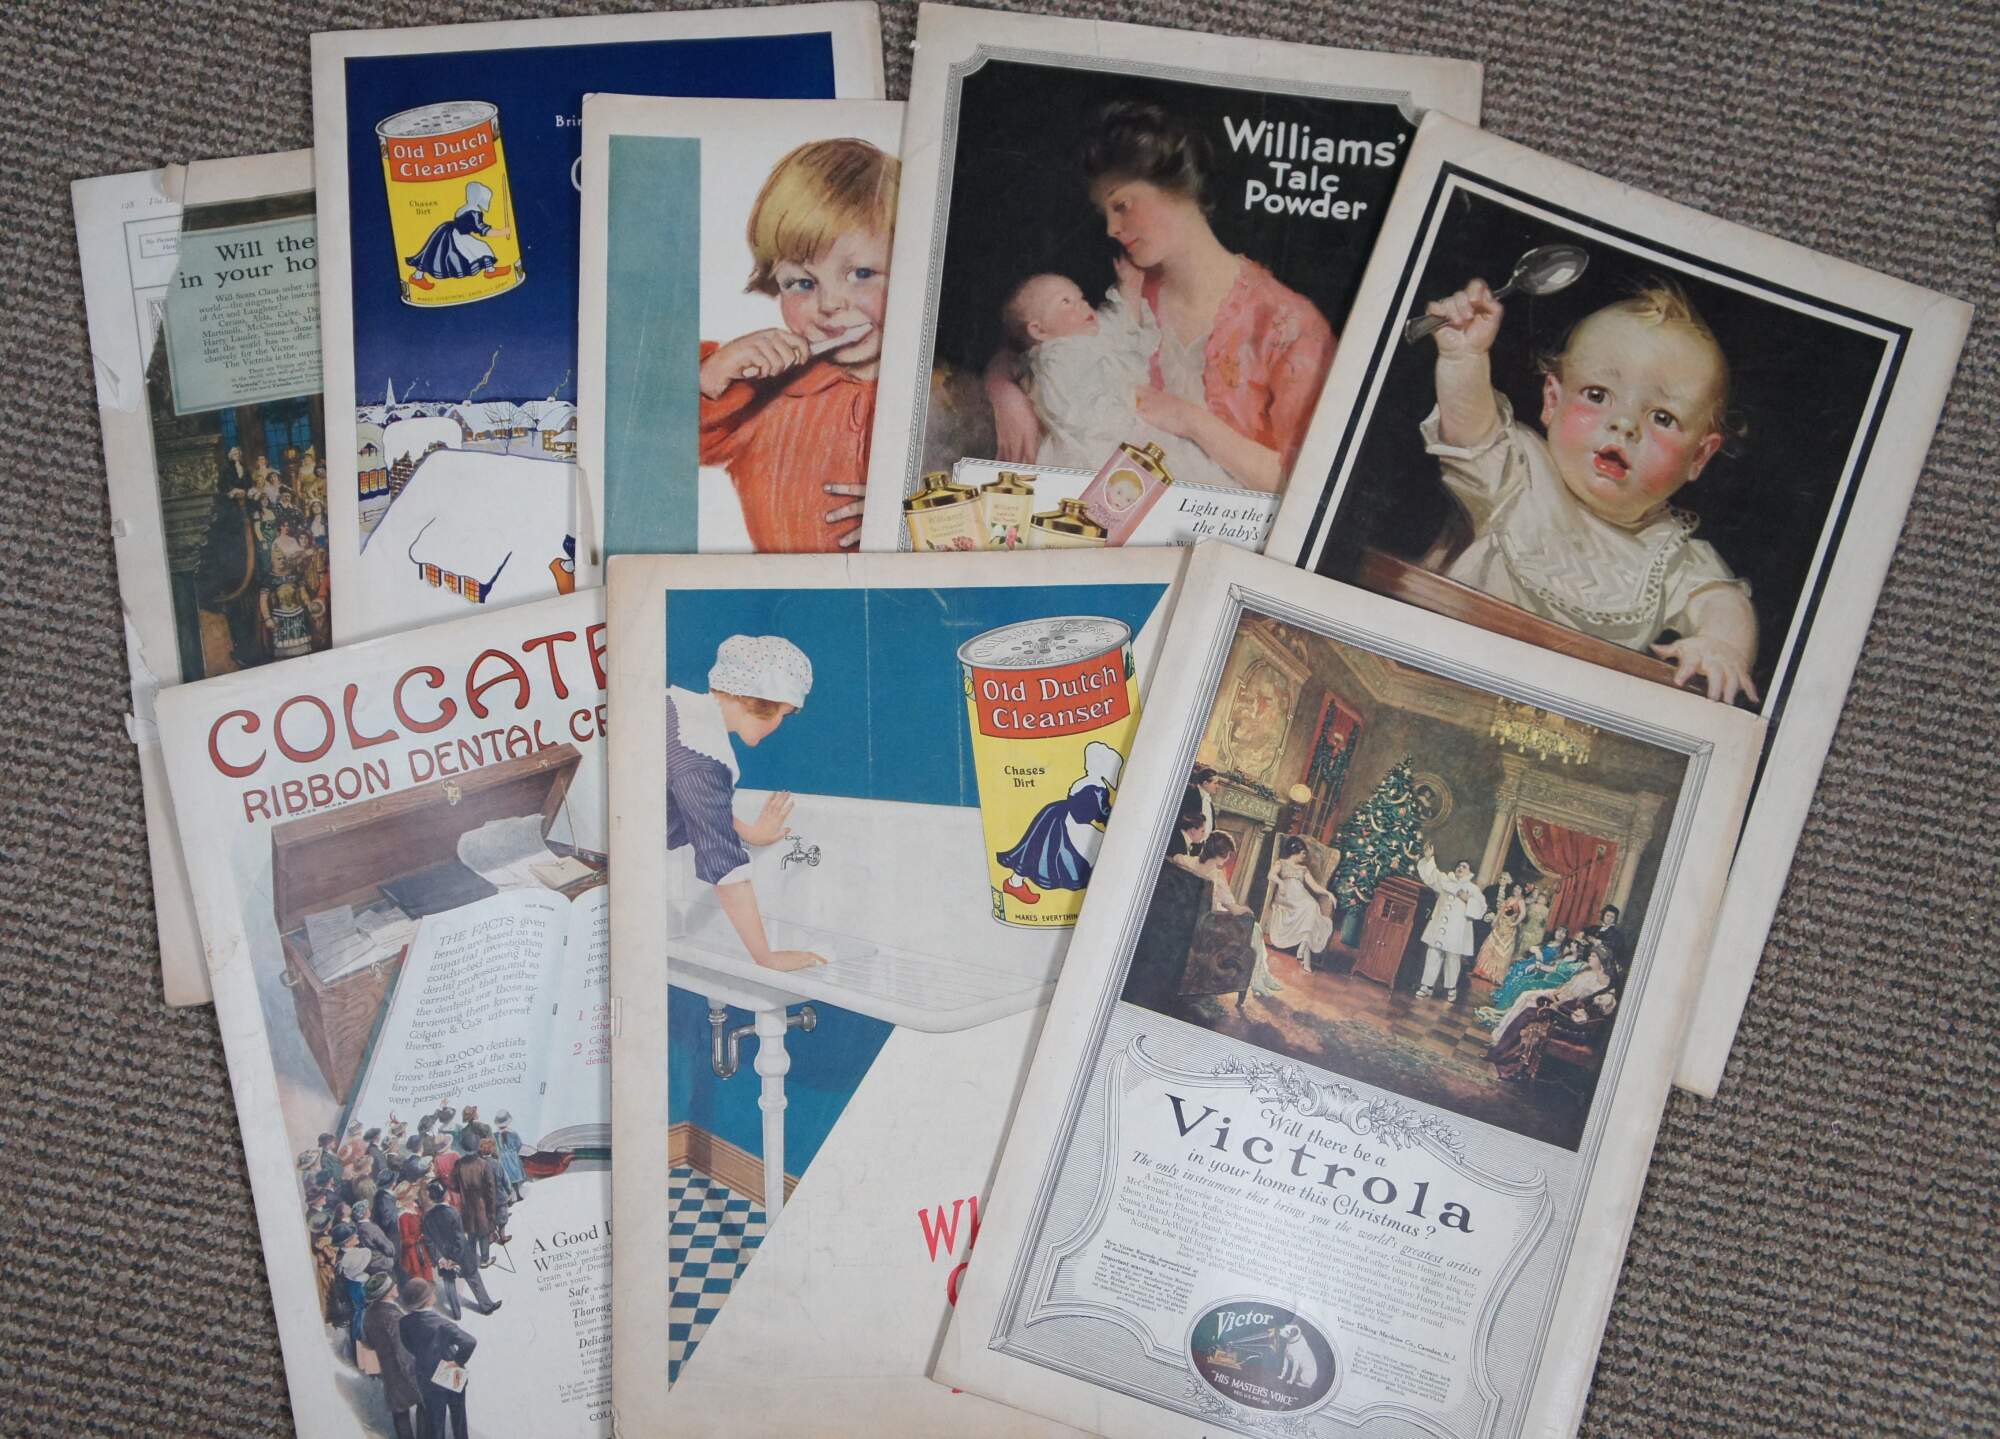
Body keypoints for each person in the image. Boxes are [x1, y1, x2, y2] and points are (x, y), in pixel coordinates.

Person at [1420, 279, 1757, 703]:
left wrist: (1721, 645)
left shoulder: (1669, 555)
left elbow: (1723, 602)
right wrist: (1464, 357)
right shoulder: (1518, 470)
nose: (1625, 424)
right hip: (1450, 673)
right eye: (1598, 395)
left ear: (1700, 457)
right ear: (1552, 401)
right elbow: (1469, 428)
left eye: (1663, 418)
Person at [986, 101, 1334, 492]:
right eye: (1105, 213)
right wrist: (1003, 392)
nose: (1111, 228)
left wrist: (1191, 421)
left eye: (1122, 205)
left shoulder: (1290, 325)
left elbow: (1306, 484)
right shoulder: (1123, 287)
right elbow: (1031, 336)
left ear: (1179, 188)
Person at [699, 139, 899, 551]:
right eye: (802, 283)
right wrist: (710, 376)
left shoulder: (944, 393)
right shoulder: (761, 394)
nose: (829, 305)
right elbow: (649, 451)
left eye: (862, 274)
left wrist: (917, 513)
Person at [666, 635, 825, 971]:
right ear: (759, 701)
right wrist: (765, 957)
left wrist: (749, 833)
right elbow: (724, 867)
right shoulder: (701, 758)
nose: (780, 725)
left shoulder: (676, 708)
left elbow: (695, 805)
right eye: (785, 714)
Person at [998, 266, 1231, 484]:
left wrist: (1129, 287)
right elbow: (1074, 412)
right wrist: (1130, 402)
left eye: (1081, 298)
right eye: (1065, 302)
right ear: (1039, 330)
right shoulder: (1056, 359)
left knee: (1185, 462)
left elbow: (1122, 324)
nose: (1082, 305)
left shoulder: (1090, 333)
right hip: (1094, 443)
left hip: (1131, 424)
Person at [993, 740, 1124, 906]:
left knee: (1036, 848)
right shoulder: (1097, 788)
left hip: (1058, 814)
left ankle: (1015, 882)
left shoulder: (1086, 782)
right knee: (1095, 849)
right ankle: (1015, 884)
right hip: (1072, 824)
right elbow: (1103, 811)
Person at [1171, 832, 1282, 999]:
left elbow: (1174, 858)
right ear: (1221, 854)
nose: (1228, 858)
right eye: (1228, 854)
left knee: (1254, 930)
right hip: (1210, 925)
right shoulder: (1217, 875)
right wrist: (1246, 909)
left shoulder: (1185, 860)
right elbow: (1234, 908)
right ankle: (1259, 978)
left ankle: (1262, 975)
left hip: (1187, 920)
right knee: (1255, 928)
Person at [399, 1279, 478, 1439]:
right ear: (427, 1300)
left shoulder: (404, 1322)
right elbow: (469, 1341)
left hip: (427, 1375)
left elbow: (408, 1345)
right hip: (452, 1371)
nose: (434, 1293)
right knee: (458, 1416)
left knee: (435, 1421)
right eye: (431, 1293)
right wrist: (457, 1361)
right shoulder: (442, 1324)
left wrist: (424, 1356)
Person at [405, 179, 512, 290]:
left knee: (432, 253)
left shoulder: (465, 208)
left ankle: (417, 276)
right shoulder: (474, 211)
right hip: (457, 235)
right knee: (481, 247)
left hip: (448, 230)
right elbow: (482, 229)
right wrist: (502, 232)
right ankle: (490, 271)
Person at [1414, 841, 1487, 1002]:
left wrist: (1468, 900)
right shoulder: (1446, 880)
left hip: (1456, 931)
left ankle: (1451, 988)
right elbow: (1431, 876)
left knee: (1452, 959)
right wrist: (1429, 858)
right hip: (1439, 925)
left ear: (1470, 872)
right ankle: (1426, 986)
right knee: (1433, 953)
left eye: (1464, 867)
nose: (1460, 868)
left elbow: (1481, 909)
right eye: (1459, 866)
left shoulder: (1473, 889)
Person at [420, 1181, 500, 1319]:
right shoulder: (452, 1213)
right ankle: (486, 1306)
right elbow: (459, 1240)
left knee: (449, 1284)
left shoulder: (427, 1217)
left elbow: (429, 1241)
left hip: (442, 1258)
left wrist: (440, 1258)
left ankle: (456, 1313)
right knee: (473, 1277)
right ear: (446, 1195)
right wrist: (454, 1259)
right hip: (461, 1255)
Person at [361, 1272, 424, 1439]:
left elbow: (370, 1342)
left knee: (400, 1411)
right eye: (393, 1286)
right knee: (424, 1404)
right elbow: (400, 1348)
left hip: (388, 1371)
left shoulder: (369, 1314)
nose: (396, 1286)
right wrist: (414, 1372)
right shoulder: (392, 1316)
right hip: (404, 1369)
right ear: (387, 1292)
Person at [1476, 931, 1582, 1026]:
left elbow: (1554, 968)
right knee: (1517, 969)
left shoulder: (1568, 954)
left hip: (1547, 975)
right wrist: (1537, 953)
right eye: (1559, 931)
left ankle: (1507, 1008)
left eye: (1575, 943)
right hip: (1539, 966)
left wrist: (1539, 965)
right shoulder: (1561, 951)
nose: (1572, 943)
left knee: (1522, 979)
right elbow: (1536, 950)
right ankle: (1503, 1000)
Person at [1264, 834, 1335, 971]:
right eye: (1303, 853)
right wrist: (1280, 882)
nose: (1304, 857)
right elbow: (1271, 875)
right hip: (1286, 896)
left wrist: (1328, 893)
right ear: (1295, 851)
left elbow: (1314, 886)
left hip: (1301, 896)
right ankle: (1304, 957)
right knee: (1309, 907)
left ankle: (1303, 949)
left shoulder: (1303, 869)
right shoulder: (1281, 863)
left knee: (1312, 905)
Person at [453, 1143, 502, 1269]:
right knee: (483, 1232)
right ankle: (484, 1259)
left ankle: (472, 1260)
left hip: (467, 1203)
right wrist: (492, 1210)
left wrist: (463, 1190)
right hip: (482, 1203)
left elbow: (453, 1184)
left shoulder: (459, 1164)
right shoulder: (483, 1164)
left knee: (471, 1233)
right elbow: (491, 1189)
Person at [1472, 883, 1528, 986]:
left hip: (1508, 929)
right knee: (1490, 946)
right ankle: (1483, 971)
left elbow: (1523, 914)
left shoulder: (1520, 901)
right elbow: (1501, 911)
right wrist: (1495, 920)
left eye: (1519, 888)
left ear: (1522, 891)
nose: (1516, 890)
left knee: (1502, 950)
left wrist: (1515, 923)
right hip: (1500, 925)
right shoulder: (1509, 898)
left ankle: (1496, 976)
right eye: (1515, 888)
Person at [493, 1112, 526, 1202]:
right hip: (510, 1157)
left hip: (504, 1158)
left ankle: (512, 1198)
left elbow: (494, 1148)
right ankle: (516, 1196)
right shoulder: (512, 1134)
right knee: (512, 1177)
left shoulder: (495, 1135)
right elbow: (519, 1145)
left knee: (508, 1178)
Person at [1516, 884, 1553, 955]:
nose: (1540, 898)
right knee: (1522, 943)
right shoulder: (1531, 906)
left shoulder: (1547, 911)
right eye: (1539, 897)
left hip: (1537, 931)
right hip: (1527, 928)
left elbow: (1546, 922)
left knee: (1532, 946)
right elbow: (1524, 916)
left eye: (1543, 898)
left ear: (1546, 901)